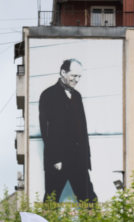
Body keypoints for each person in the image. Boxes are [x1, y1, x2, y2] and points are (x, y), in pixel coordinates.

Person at [38, 58, 96, 203]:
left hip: (79, 160)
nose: (76, 80)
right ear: (63, 72)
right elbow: (45, 131)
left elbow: (83, 130)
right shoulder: (47, 95)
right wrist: (55, 158)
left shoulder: (77, 97)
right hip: (58, 162)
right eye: (74, 76)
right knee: (51, 201)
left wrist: (86, 159)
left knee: (89, 201)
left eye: (79, 77)